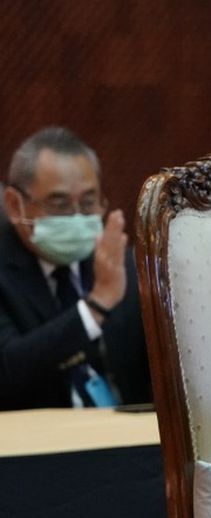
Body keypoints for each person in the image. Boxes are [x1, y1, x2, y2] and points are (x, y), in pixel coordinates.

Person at [0, 127, 151, 410]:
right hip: (36, 442)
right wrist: (95, 308)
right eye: (60, 205)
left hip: (123, 439)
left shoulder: (123, 266)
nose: (78, 217)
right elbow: (6, 372)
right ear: (13, 205)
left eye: (88, 202)